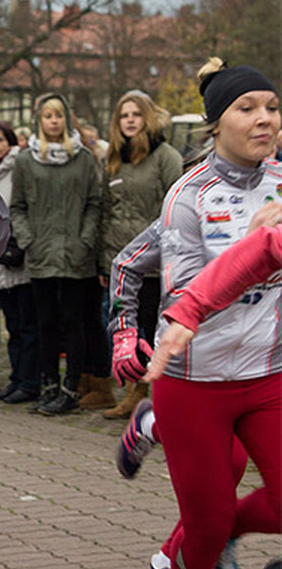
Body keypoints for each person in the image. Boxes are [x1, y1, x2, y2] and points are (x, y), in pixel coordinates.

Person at [111, 58, 280, 569]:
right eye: (247, 108)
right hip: (193, 379)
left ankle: (225, 532)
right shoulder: (188, 195)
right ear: (215, 124)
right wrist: (254, 247)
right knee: (205, 520)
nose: (265, 119)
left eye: (273, 107)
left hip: (267, 373)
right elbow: (183, 296)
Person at [9, 92, 103, 415]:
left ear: (66, 119)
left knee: (73, 322)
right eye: (48, 116)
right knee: (45, 322)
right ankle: (49, 385)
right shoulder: (26, 160)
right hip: (41, 253)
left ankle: (71, 388)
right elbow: (17, 206)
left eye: (58, 115)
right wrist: (28, 240)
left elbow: (94, 203)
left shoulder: (83, 158)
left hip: (76, 255)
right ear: (40, 120)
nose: (53, 121)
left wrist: (84, 240)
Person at [99, 90, 183, 418]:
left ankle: (164, 401)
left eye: (136, 114)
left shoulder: (166, 156)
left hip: (157, 264)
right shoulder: (113, 159)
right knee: (128, 332)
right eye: (124, 115)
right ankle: (135, 394)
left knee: (156, 332)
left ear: (147, 117)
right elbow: (106, 211)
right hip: (122, 263)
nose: (130, 120)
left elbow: (179, 208)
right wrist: (104, 262)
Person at [0, 121, 39, 404]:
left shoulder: (20, 167)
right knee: (11, 325)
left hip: (21, 256)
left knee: (27, 326)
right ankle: (16, 378)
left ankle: (30, 381)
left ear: (10, 141)